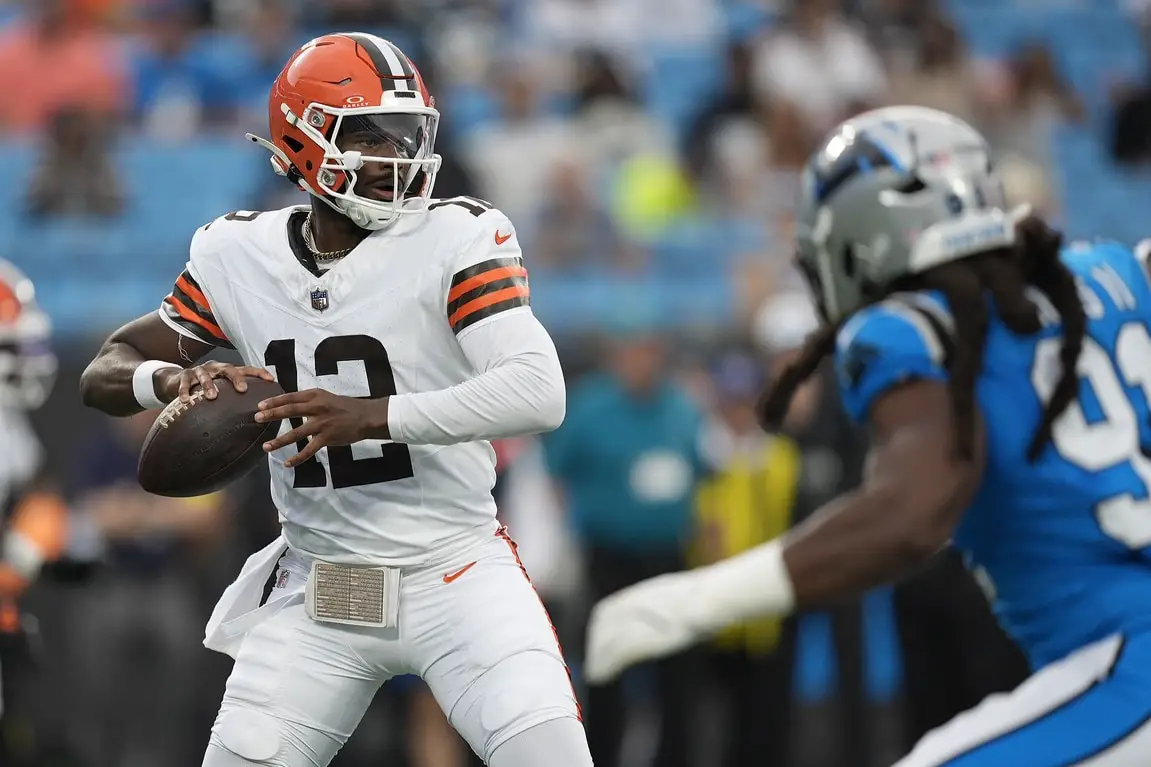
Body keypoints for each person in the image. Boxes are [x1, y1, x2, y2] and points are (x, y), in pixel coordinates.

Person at [80, 33, 589, 767]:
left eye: (407, 134)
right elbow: (105, 367)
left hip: (455, 571)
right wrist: (169, 380)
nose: (397, 155)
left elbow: (539, 391)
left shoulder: (457, 236)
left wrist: (374, 415)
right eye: (371, 135)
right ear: (302, 140)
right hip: (327, 584)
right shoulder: (237, 255)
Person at [585, 105, 1151, 764]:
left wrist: (701, 598)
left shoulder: (911, 329)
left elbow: (911, 513)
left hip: (1124, 662)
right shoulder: (1115, 272)